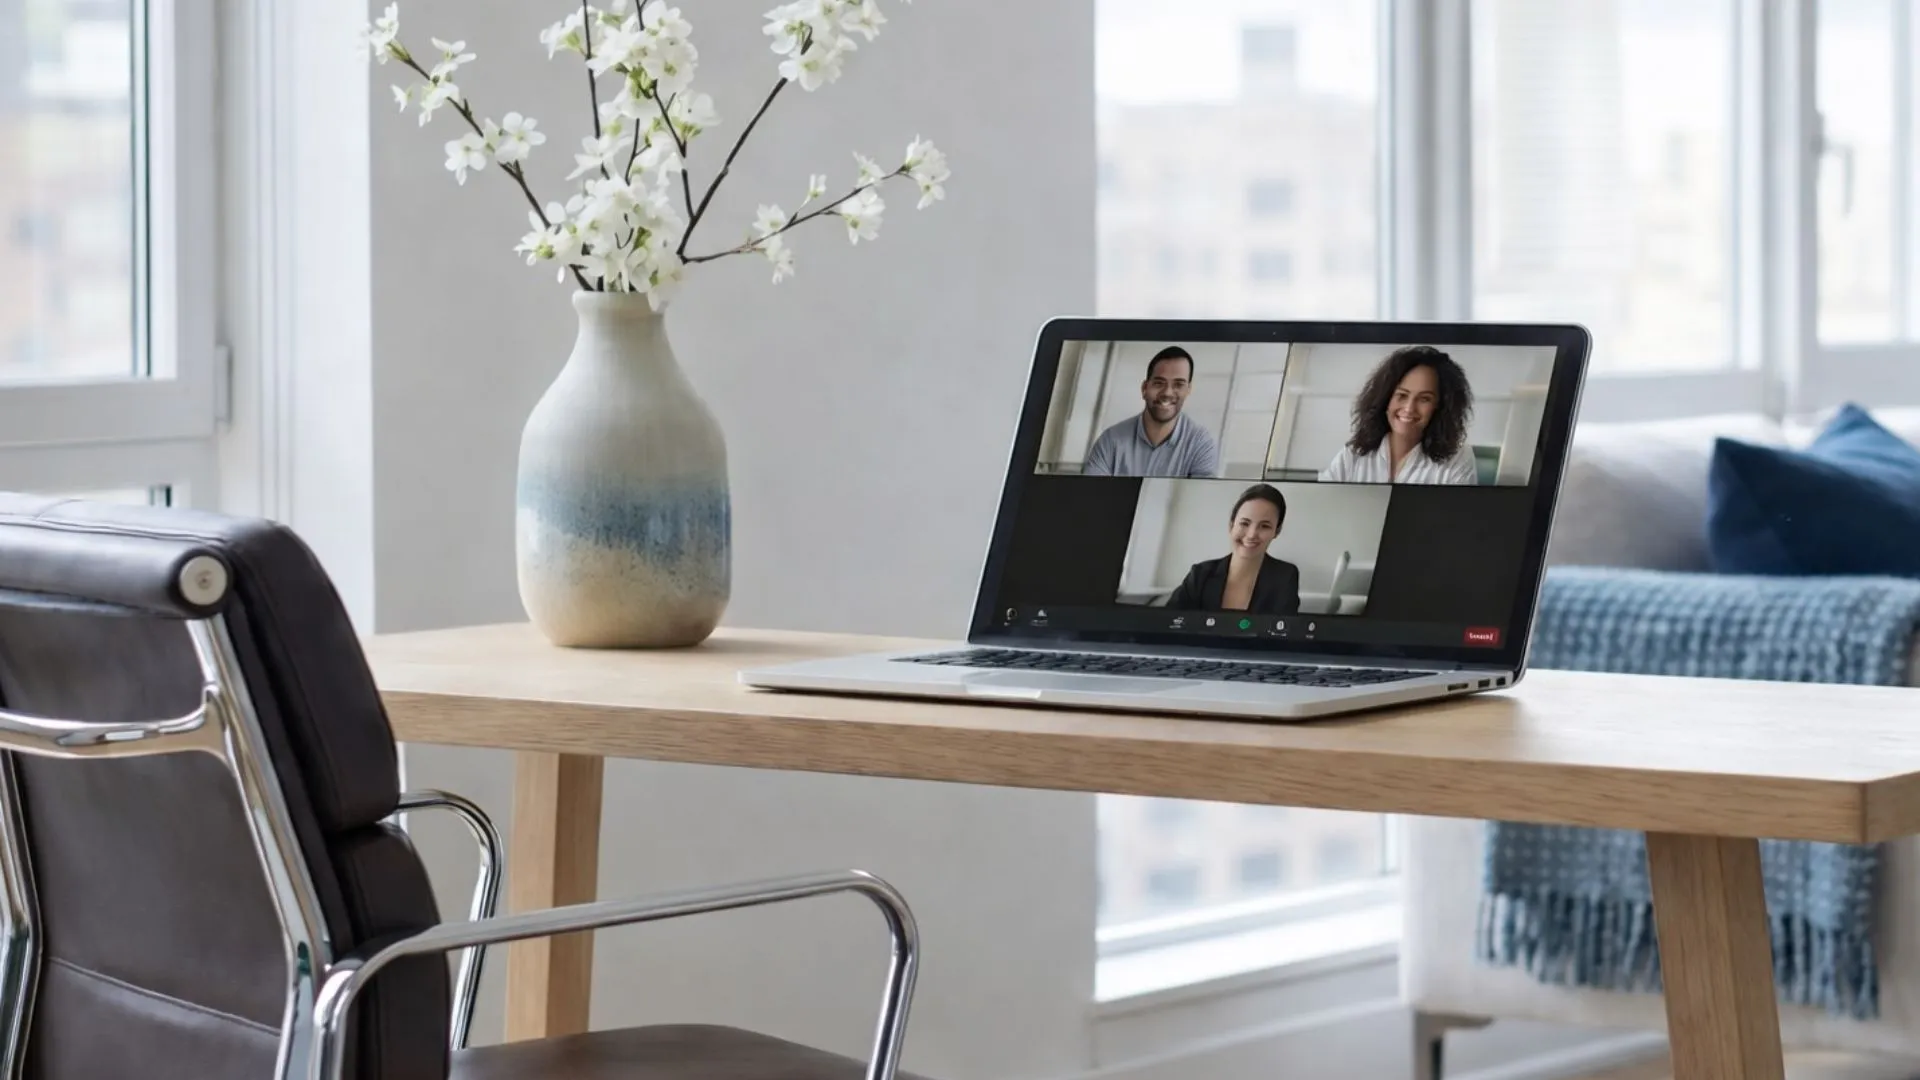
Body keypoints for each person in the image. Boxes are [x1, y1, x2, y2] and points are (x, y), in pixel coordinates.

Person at [1319, 345, 1479, 485]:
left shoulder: (1458, 459)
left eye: (1424, 399)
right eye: (1402, 395)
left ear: (1440, 406)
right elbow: (1320, 506)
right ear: (1385, 398)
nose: (1409, 408)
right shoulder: (1352, 455)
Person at [1083, 346, 1221, 478]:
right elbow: (1091, 495)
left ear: (1188, 390)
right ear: (1144, 388)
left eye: (1178, 384)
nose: (1167, 393)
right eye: (1159, 383)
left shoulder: (1201, 445)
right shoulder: (1110, 441)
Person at [1166, 484, 1301, 615]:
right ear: (1231, 525)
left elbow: (1283, 632)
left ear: (1276, 531)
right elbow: (1167, 622)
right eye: (1244, 523)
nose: (1252, 534)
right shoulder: (1200, 574)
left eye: (1264, 526)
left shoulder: (1285, 576)